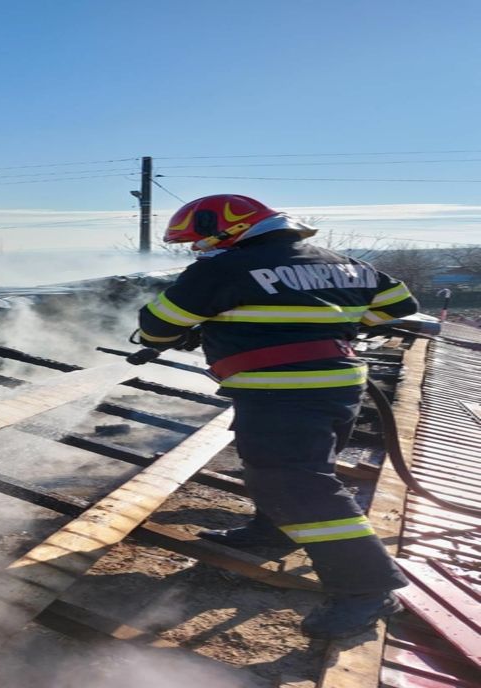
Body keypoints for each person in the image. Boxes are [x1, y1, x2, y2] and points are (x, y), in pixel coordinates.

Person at [134, 194, 417, 640]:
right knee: (297, 472)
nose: (200, 250)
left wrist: (200, 325)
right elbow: (398, 310)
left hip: (282, 392)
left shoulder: (222, 269)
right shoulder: (347, 264)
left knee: (298, 483)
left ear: (231, 229)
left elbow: (155, 327)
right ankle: (273, 530)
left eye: (204, 240)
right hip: (339, 388)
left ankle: (369, 588)